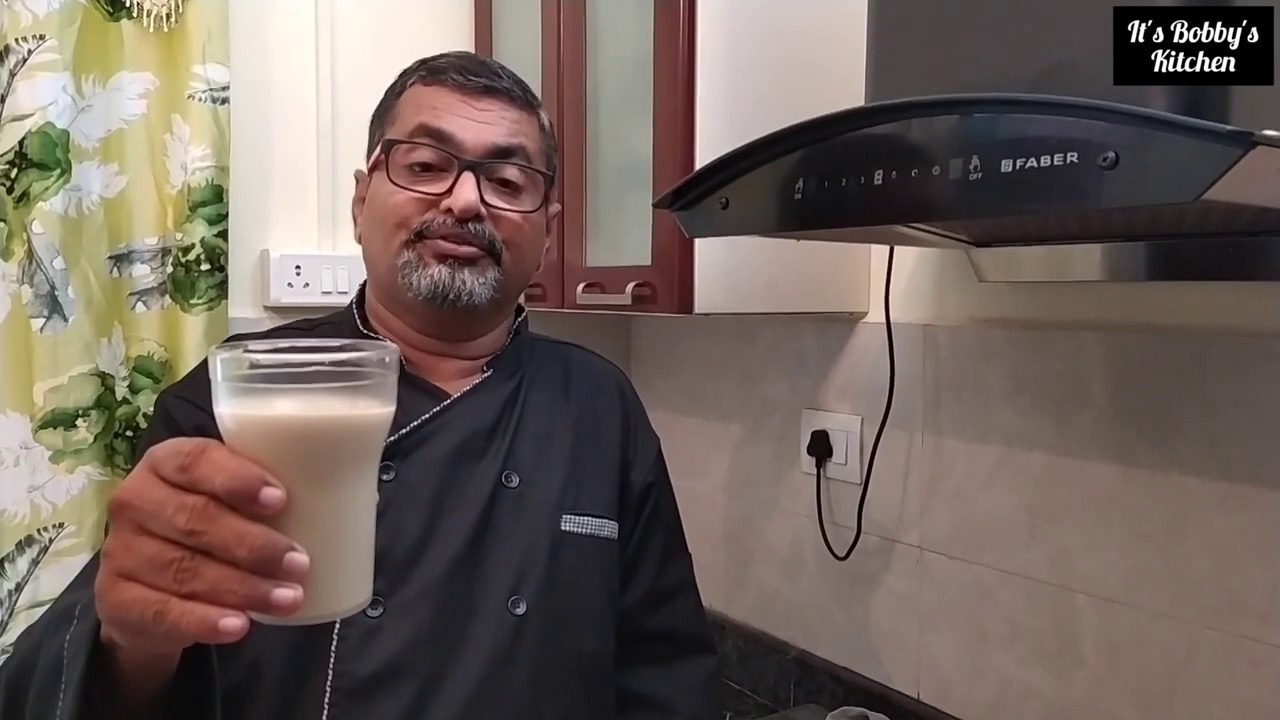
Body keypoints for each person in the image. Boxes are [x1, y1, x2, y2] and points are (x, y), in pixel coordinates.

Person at [0, 51, 722, 720]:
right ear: (361, 199)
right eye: (426, 165)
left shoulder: (599, 405)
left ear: (549, 234)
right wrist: (132, 641)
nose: (466, 201)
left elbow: (667, 674)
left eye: (507, 182)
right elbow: (135, 668)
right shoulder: (242, 389)